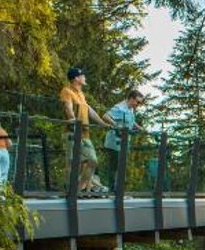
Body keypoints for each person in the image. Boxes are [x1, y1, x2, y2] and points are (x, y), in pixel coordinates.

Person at [58, 65, 114, 194]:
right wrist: (73, 119)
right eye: (82, 76)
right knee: (73, 162)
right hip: (72, 133)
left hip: (85, 134)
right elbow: (68, 107)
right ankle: (70, 189)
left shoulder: (81, 94)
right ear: (76, 78)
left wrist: (103, 124)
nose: (85, 78)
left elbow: (89, 110)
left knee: (92, 161)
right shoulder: (67, 91)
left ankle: (77, 190)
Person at [102, 88, 145, 192]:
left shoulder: (130, 109)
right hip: (114, 141)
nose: (138, 105)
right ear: (131, 98)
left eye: (140, 103)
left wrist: (139, 128)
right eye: (137, 102)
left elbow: (131, 121)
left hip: (124, 142)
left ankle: (118, 190)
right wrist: (116, 125)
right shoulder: (119, 107)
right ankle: (113, 190)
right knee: (115, 167)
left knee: (122, 166)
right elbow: (105, 116)